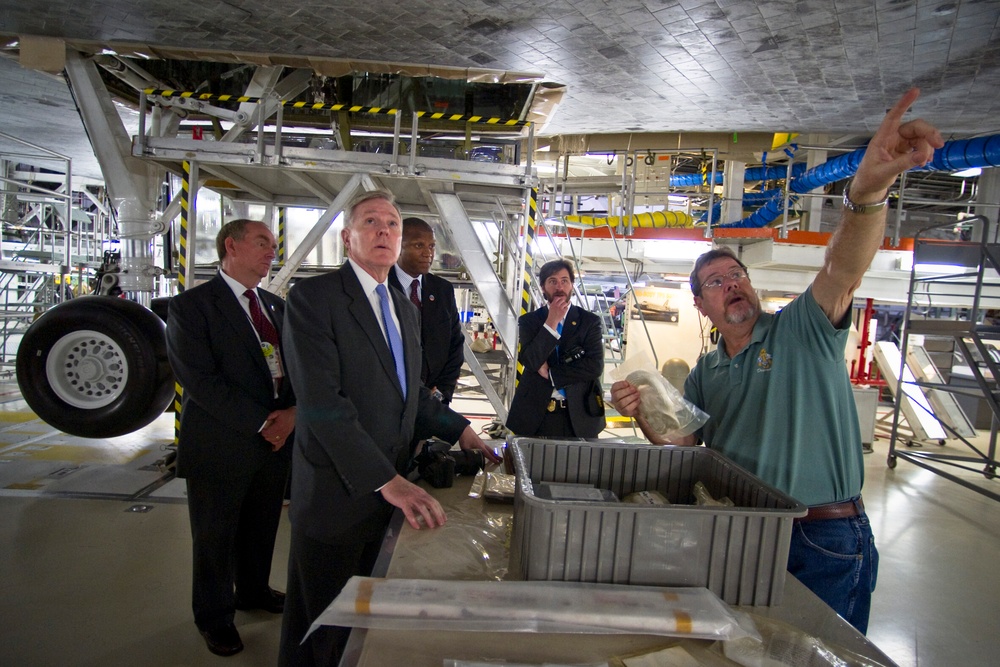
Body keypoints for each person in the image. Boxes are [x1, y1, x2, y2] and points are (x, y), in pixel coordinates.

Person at [611, 88, 943, 635]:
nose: (731, 285)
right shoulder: (706, 372)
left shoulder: (802, 330)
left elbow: (842, 268)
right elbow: (685, 448)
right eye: (716, 283)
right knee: (752, 647)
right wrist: (645, 415)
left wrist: (865, 194)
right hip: (746, 532)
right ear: (701, 305)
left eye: (737, 274)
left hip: (824, 537)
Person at [278, 189, 501, 667]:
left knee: (364, 619)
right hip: (338, 492)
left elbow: (412, 395)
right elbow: (321, 406)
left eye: (392, 224)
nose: (384, 231)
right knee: (319, 622)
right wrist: (387, 480)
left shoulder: (402, 308)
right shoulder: (314, 300)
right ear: (347, 238)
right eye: (371, 222)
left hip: (389, 494)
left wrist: (461, 429)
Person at [166, 219, 296, 657]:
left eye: (274, 246)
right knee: (214, 537)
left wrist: (291, 416)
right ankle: (215, 616)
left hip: (273, 444)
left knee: (262, 527)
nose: (270, 252)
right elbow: (200, 382)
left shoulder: (275, 307)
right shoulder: (192, 307)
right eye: (262, 243)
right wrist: (265, 422)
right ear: (231, 246)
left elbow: (291, 370)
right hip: (222, 444)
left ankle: (254, 591)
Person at [506, 259, 605, 438]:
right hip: (536, 415)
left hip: (579, 415)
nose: (559, 287)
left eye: (564, 281)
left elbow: (594, 366)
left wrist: (552, 374)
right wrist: (551, 322)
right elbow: (530, 360)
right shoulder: (529, 321)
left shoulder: (589, 322)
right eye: (552, 281)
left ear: (572, 285)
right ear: (543, 287)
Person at [388, 217, 465, 404]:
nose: (428, 253)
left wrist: (442, 392)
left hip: (434, 399)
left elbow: (455, 345)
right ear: (398, 247)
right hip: (390, 400)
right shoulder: (382, 287)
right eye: (418, 246)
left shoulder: (442, 290)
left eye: (431, 246)